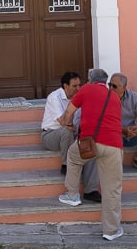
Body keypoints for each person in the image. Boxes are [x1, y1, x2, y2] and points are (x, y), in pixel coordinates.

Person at [56, 68, 125, 241]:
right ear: (105, 81)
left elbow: (70, 111)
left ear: (90, 80)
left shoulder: (86, 89)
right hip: (114, 145)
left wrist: (68, 124)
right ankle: (111, 230)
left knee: (72, 157)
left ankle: (72, 194)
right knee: (112, 189)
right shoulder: (114, 96)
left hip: (90, 142)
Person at [42, 71, 100, 199]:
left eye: (79, 85)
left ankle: (91, 190)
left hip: (74, 134)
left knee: (91, 146)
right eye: (75, 86)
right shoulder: (54, 97)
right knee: (67, 132)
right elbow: (64, 122)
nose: (78, 89)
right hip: (51, 135)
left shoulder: (81, 95)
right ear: (65, 86)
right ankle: (66, 165)